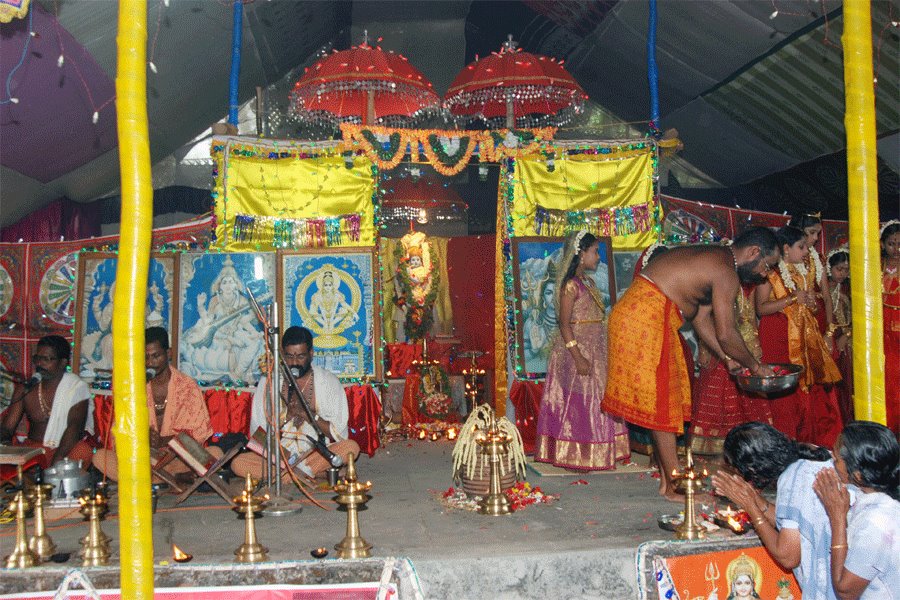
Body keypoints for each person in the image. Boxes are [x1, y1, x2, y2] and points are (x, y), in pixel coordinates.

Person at [603, 226, 780, 501]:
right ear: (753, 252)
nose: (764, 274)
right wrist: (756, 367)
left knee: (666, 400)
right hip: (647, 316)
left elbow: (700, 319)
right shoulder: (725, 270)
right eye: (767, 266)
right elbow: (726, 332)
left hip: (645, 314)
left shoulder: (717, 260)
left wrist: (727, 358)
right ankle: (676, 486)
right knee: (664, 402)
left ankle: (667, 482)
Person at [534, 231, 630, 470]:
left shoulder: (589, 282)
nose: (598, 257)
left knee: (597, 402)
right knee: (580, 404)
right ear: (581, 254)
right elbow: (564, 324)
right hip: (577, 351)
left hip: (596, 350)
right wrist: (577, 357)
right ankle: (577, 455)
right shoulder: (570, 286)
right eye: (595, 252)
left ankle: (600, 451)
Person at [711, 422, 838, 599]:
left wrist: (750, 508)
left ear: (752, 468)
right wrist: (754, 499)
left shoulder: (792, 478)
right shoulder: (810, 458)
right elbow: (796, 521)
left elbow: (788, 556)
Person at [230, 326, 360, 481]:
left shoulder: (328, 381)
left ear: (311, 354)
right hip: (278, 457)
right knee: (238, 464)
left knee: (351, 448)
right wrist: (286, 416)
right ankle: (308, 474)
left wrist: (309, 415)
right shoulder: (269, 382)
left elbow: (338, 433)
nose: (294, 362)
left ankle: (291, 476)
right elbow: (259, 435)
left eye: (300, 356)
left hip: (315, 453)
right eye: (289, 356)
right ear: (282, 355)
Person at [92, 327, 221, 481]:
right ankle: (169, 478)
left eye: (156, 356)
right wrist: (140, 438)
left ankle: (151, 480)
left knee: (215, 454)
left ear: (168, 353)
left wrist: (164, 441)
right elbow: (120, 434)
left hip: (177, 458)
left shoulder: (187, 386)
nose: (150, 363)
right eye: (145, 357)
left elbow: (198, 435)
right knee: (101, 457)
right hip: (142, 459)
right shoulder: (134, 387)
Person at [756, 226, 842, 447]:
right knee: (784, 393)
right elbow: (761, 308)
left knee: (807, 388)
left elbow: (808, 305)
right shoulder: (770, 274)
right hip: (777, 337)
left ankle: (808, 441)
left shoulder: (804, 270)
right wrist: (793, 299)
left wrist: (811, 305)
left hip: (804, 336)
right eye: (801, 247)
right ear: (786, 249)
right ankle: (784, 441)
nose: (806, 251)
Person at [813, 421, 899, 600]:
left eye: (836, 459)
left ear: (858, 475)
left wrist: (836, 518)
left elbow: (845, 590)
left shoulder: (876, 522)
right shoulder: (879, 503)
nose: (833, 463)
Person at [690, 277, 774, 455]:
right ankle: (718, 446)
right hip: (719, 348)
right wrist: (707, 349)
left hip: (744, 346)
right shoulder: (718, 283)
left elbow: (750, 317)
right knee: (718, 396)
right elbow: (705, 319)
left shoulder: (748, 286)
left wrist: (753, 348)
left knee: (748, 399)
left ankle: (750, 445)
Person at [0, 335, 93, 468]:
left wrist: (55, 464)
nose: (39, 363)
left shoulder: (76, 388)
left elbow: (74, 429)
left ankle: (53, 484)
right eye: (37, 358)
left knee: (83, 451)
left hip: (64, 450)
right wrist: (5, 446)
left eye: (47, 359)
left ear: (63, 362)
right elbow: (8, 427)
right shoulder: (26, 389)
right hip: (34, 450)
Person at [181, 257, 263, 386]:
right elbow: (207, 321)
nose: (228, 285)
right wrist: (200, 306)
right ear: (219, 286)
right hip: (217, 335)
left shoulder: (242, 300)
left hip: (237, 331)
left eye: (231, 282)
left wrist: (252, 317)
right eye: (225, 282)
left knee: (256, 343)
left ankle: (238, 373)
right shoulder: (215, 300)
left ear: (236, 284)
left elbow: (248, 320)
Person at [826, 247, 853, 425]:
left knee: (846, 384)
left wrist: (847, 335)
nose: (843, 274)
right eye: (839, 269)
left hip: (846, 342)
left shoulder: (848, 290)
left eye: (846, 270)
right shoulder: (823, 289)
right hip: (830, 340)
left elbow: (856, 318)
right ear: (830, 268)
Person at [881, 220, 900, 433]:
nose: (896, 249)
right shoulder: (876, 265)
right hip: (882, 331)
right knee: (888, 380)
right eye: (892, 244)